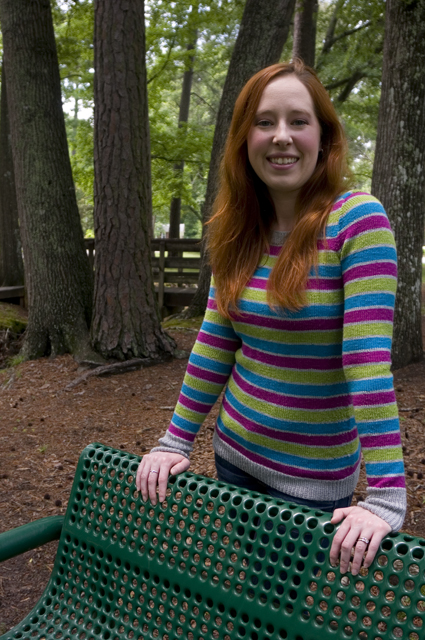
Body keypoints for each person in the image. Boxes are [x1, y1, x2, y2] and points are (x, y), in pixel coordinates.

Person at [136, 59, 406, 576]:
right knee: (260, 583)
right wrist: (175, 440)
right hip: (234, 455)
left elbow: (367, 362)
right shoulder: (238, 230)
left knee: (278, 602)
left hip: (312, 479)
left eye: (298, 121)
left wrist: (388, 495)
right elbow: (215, 344)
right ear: (245, 138)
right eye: (265, 121)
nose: (281, 137)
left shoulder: (358, 221)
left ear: (323, 137)